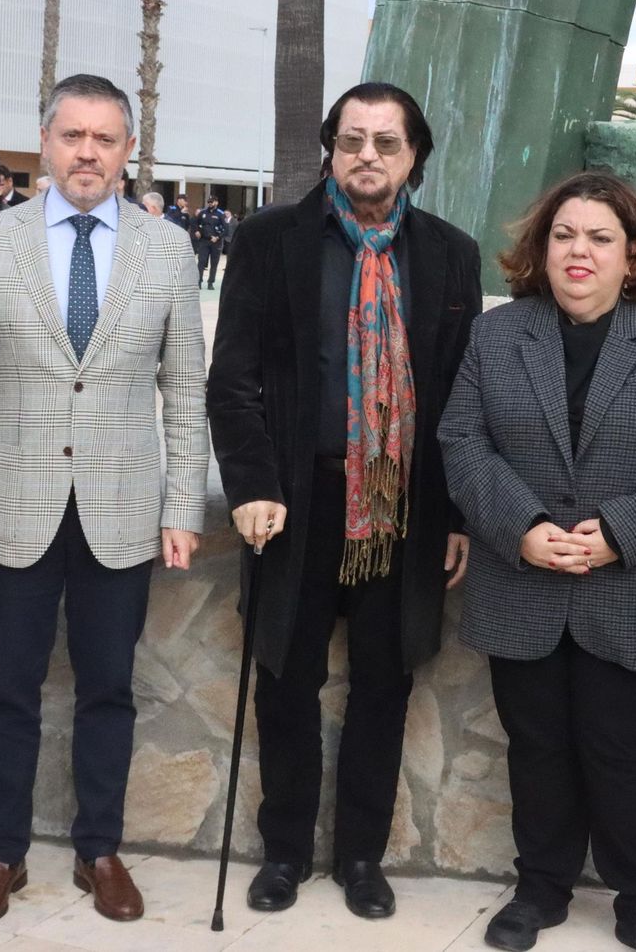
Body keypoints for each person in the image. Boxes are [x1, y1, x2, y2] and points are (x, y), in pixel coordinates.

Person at [0, 73, 209, 927]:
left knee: (108, 687)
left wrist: (181, 508)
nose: (88, 152)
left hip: (123, 506)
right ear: (45, 143)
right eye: (72, 135)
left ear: (129, 152)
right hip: (12, 501)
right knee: (11, 688)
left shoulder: (167, 250)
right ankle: (2, 853)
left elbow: (186, 391)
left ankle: (100, 849)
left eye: (106, 138)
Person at [207, 81, 481, 920]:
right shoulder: (269, 242)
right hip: (296, 502)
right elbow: (235, 380)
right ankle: (284, 851)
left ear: (415, 158)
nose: (368, 155)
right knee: (285, 678)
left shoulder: (448, 254)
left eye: (387, 143)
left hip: (404, 508)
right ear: (330, 148)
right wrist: (251, 485)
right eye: (353, 139)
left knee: (383, 681)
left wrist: (460, 514)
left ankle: (361, 855)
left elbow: (464, 395)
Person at [439, 172, 636, 952]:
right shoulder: (498, 335)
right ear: (543, 247)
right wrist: (523, 527)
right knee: (536, 745)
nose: (579, 251)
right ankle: (541, 888)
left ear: (632, 257)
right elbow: (462, 442)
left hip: (630, 581)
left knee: (623, 747)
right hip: (521, 576)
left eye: (600, 238)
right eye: (565, 235)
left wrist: (619, 533)